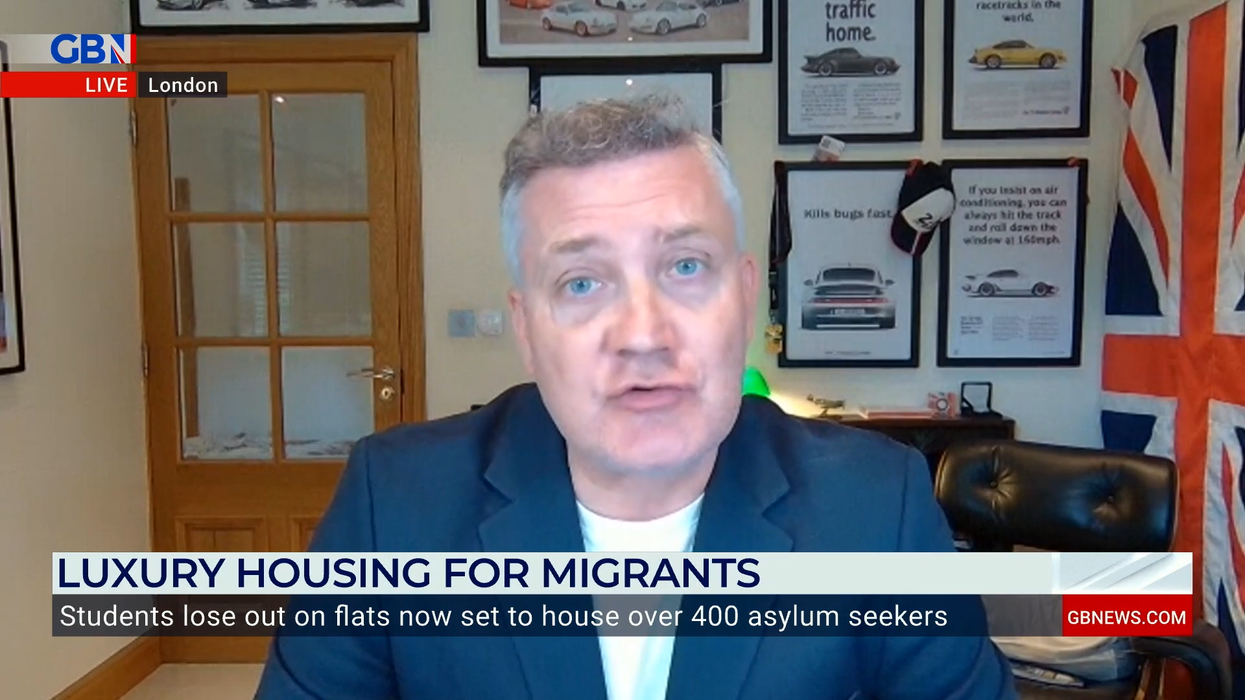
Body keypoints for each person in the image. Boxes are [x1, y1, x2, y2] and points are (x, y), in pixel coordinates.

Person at [254, 94, 1017, 700]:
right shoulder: (394, 504)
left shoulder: (875, 508)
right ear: (527, 330)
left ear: (743, 297)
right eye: (581, 283)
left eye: (685, 267)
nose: (643, 334)